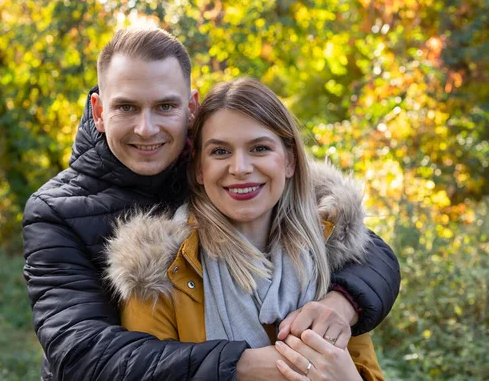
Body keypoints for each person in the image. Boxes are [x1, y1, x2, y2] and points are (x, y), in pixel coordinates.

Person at [22, 27, 400, 381]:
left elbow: (358, 243)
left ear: (191, 108)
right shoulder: (57, 212)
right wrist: (244, 364)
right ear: (100, 111)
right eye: (127, 108)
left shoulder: (231, 172)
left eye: (165, 106)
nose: (147, 128)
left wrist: (343, 301)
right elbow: (78, 351)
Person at [105, 77, 384, 380]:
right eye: (220, 152)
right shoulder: (160, 271)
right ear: (199, 168)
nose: (240, 168)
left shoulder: (329, 257)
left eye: (259, 148)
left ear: (289, 160)